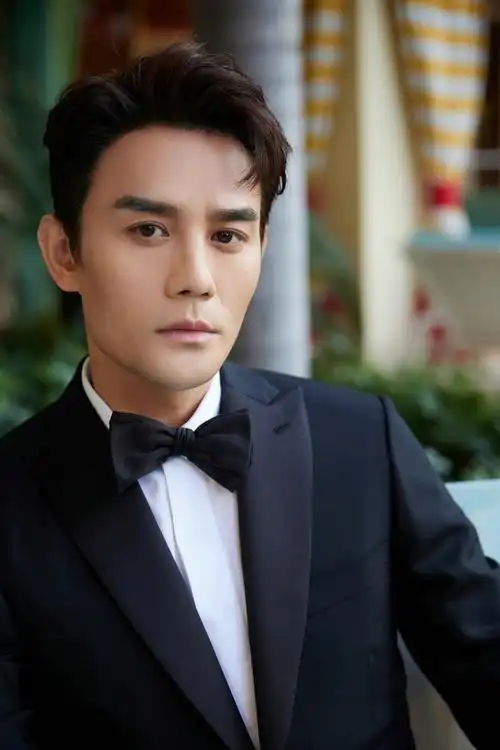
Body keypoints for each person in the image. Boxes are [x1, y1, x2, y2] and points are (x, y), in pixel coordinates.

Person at [0, 42, 499, 750]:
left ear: (263, 247)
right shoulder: (12, 504)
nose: (196, 278)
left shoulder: (360, 440)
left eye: (228, 234)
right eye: (148, 230)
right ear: (64, 252)